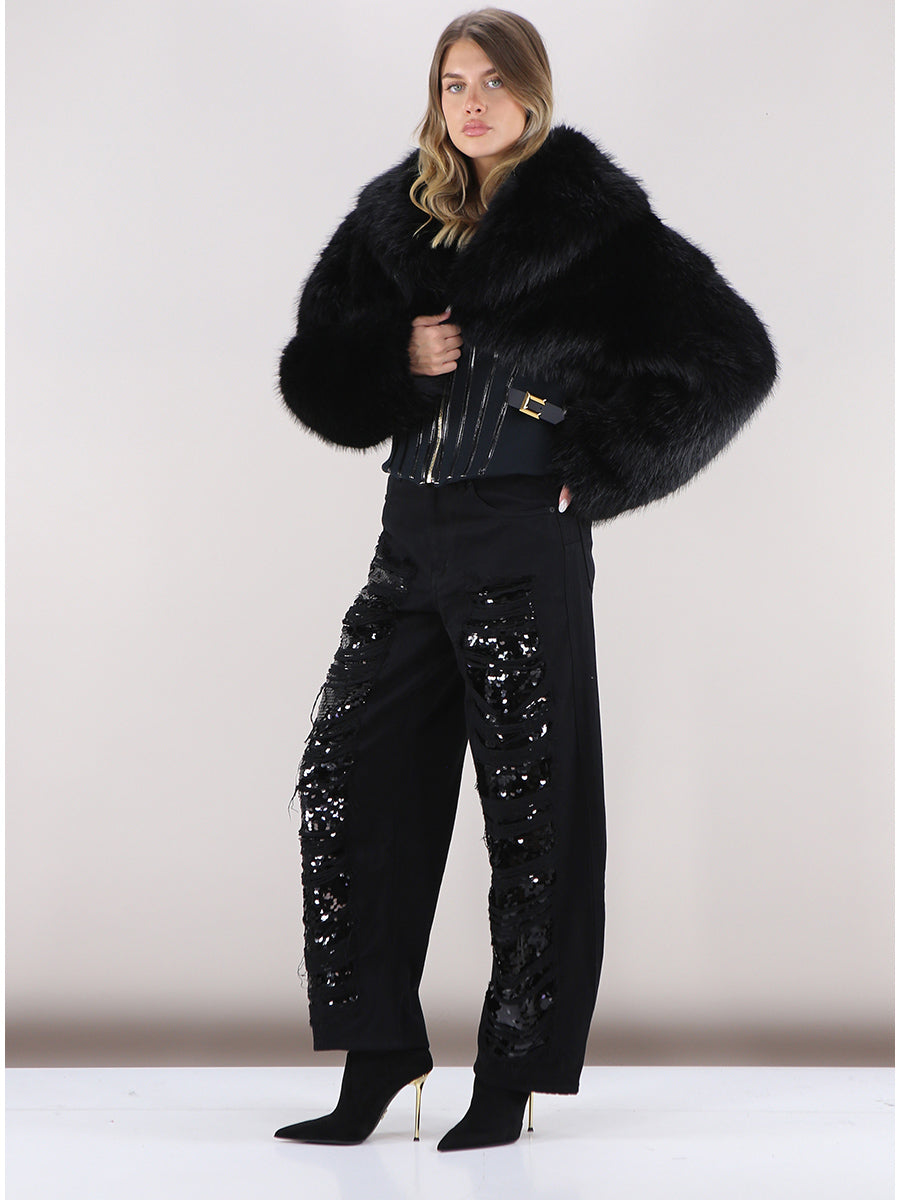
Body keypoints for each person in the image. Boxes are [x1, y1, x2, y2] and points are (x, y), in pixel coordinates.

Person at [273, 8, 777, 1152]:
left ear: (533, 92)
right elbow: (314, 373)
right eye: (454, 83)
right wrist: (395, 358)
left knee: (534, 811)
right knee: (347, 781)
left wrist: (600, 466)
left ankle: (512, 1073)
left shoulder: (598, 228)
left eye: (494, 82)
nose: (473, 103)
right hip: (410, 538)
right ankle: (380, 1051)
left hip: (520, 535)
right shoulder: (390, 220)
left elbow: (731, 360)